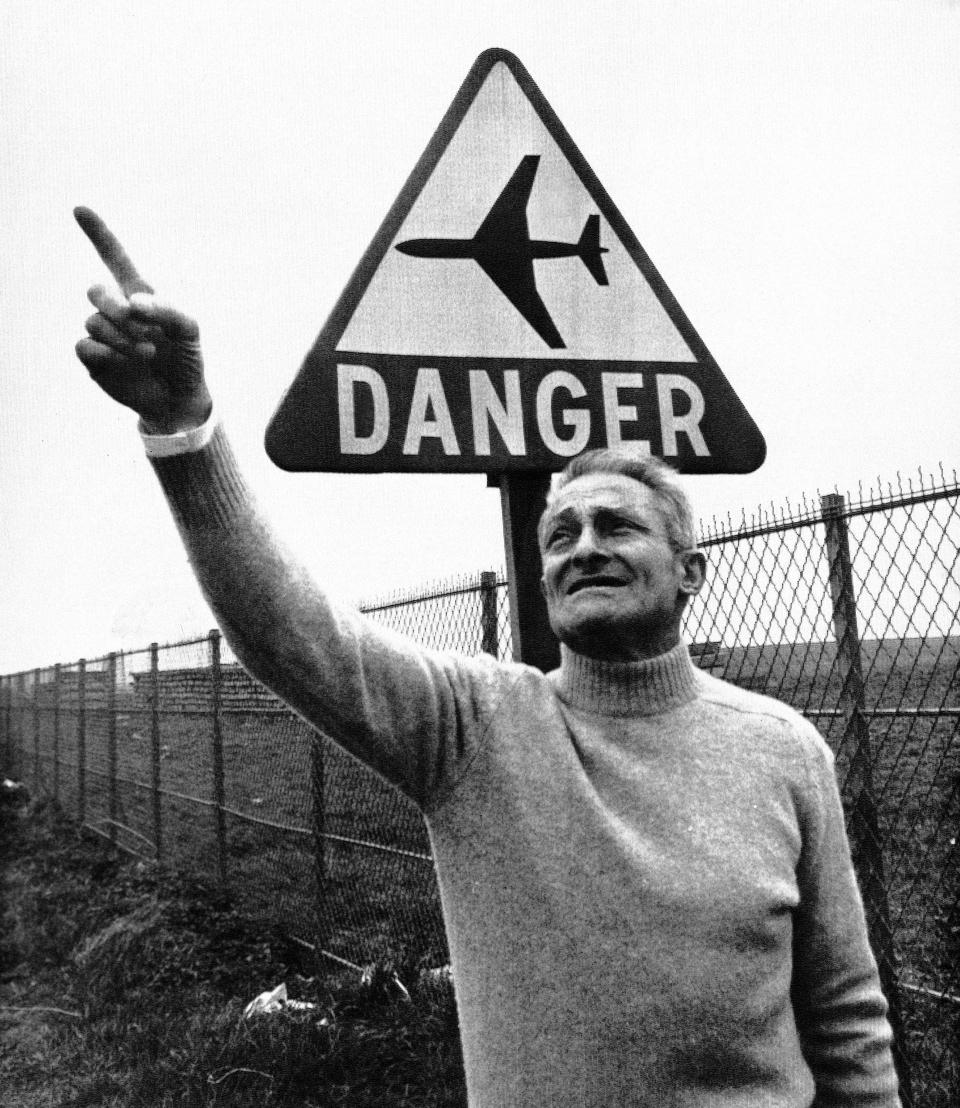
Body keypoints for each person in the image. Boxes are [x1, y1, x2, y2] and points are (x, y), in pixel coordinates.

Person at [73, 207, 902, 1108]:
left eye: (617, 525)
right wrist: (183, 432)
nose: (583, 547)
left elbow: (845, 1013)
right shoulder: (479, 729)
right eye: (560, 534)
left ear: (690, 571)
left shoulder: (784, 749)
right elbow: (291, 630)